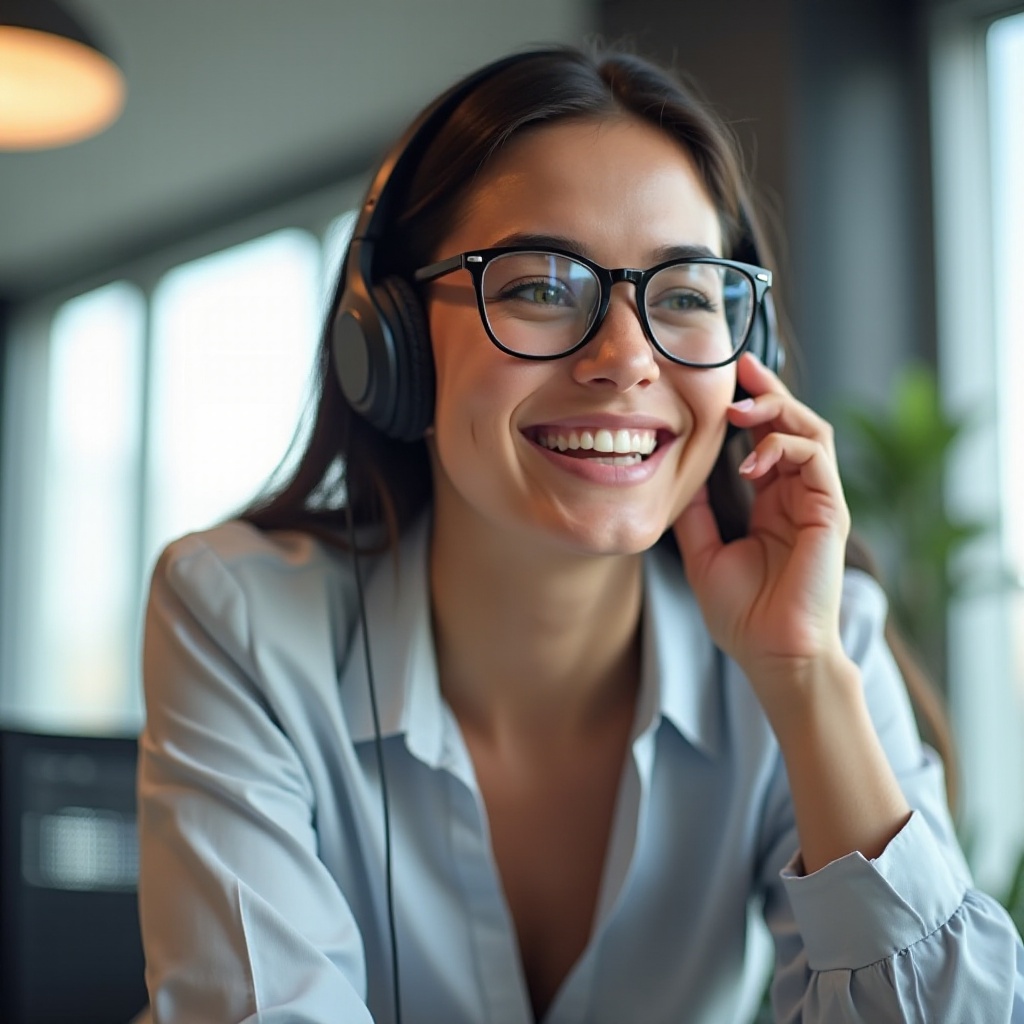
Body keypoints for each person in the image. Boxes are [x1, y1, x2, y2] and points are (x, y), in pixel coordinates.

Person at [136, 44, 1024, 1024]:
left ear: (746, 358)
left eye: (684, 294)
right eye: (540, 285)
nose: (625, 357)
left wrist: (804, 677)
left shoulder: (816, 635)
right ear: (387, 342)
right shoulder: (244, 620)